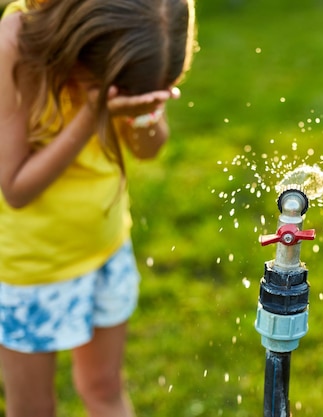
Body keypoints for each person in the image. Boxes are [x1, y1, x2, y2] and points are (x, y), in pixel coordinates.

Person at [0, 0, 196, 415]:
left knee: (105, 387)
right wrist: (93, 113)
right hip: (31, 270)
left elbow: (148, 150)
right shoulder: (16, 40)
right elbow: (15, 188)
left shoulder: (138, 43)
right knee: (33, 407)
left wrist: (144, 112)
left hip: (106, 251)